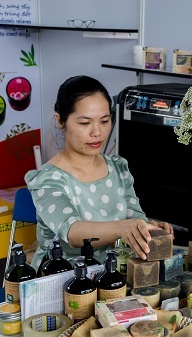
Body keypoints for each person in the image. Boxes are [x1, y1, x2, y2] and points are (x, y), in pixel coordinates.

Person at [25, 75, 173, 270]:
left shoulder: (117, 168)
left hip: (109, 273)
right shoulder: (48, 179)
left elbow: (133, 215)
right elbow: (73, 232)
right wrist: (123, 228)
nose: (97, 132)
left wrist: (147, 228)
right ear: (61, 121)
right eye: (85, 123)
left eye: (104, 121)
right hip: (60, 276)